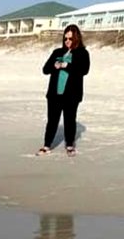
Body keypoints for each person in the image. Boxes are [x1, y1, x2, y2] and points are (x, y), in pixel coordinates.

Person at [36, 24, 90, 158]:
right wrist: (55, 66)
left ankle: (70, 145)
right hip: (55, 94)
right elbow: (45, 69)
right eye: (65, 38)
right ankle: (47, 145)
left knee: (70, 120)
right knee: (52, 120)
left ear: (76, 38)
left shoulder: (82, 53)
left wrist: (68, 65)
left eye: (70, 39)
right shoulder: (57, 52)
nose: (67, 41)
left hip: (72, 94)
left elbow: (84, 70)